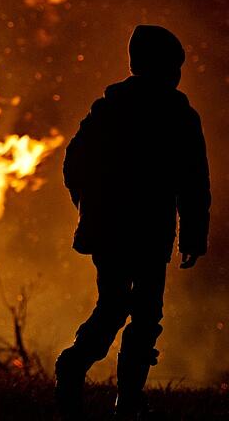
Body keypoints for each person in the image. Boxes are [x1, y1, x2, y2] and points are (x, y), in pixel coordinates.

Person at [55, 25, 211, 419]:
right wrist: (193, 235)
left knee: (117, 308)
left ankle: (85, 372)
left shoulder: (109, 109)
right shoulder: (178, 116)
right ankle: (119, 394)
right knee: (142, 313)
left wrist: (89, 208)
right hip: (148, 233)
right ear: (165, 68)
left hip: (113, 232)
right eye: (174, 65)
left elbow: (75, 163)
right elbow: (193, 182)